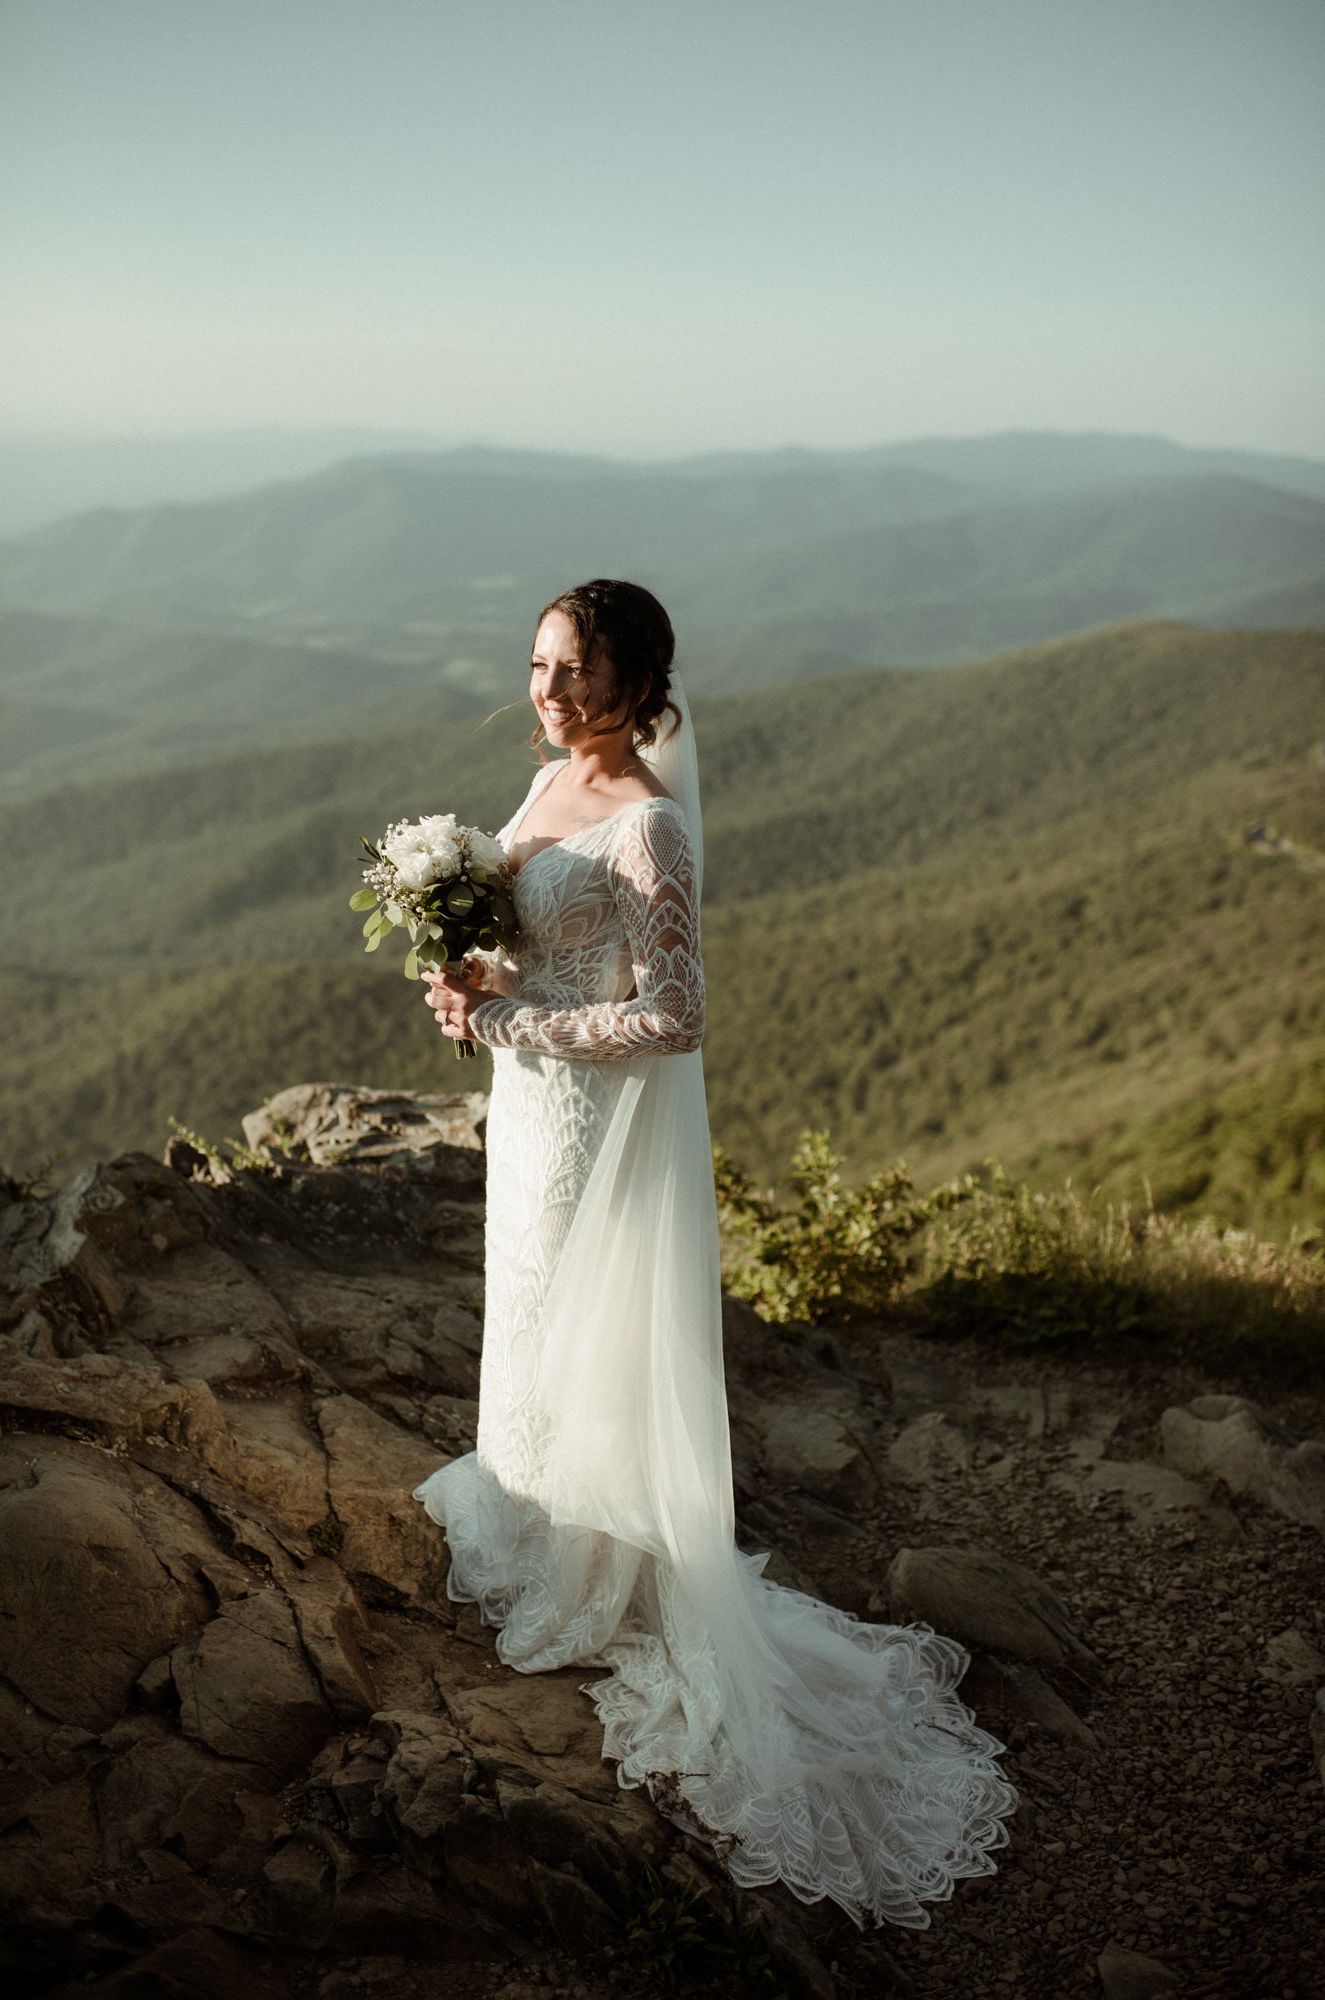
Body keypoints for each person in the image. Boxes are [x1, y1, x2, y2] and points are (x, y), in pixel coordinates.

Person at [413, 579, 1017, 1928]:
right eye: (538, 666)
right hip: (531, 1116)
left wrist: (517, 1031)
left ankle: (608, 1562)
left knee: (594, 1323)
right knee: (526, 1312)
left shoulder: (653, 828)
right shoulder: (555, 786)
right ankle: (528, 1508)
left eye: (574, 670)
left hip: (593, 1122)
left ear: (632, 677)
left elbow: (674, 1019)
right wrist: (469, 988)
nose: (550, 691)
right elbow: (531, 950)